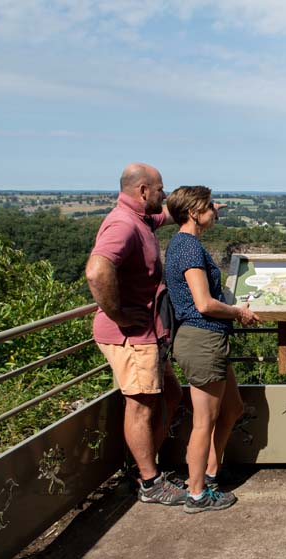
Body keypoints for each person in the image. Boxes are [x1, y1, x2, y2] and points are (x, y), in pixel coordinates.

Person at [86, 163, 186, 505]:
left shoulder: (141, 219)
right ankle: (149, 482)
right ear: (143, 190)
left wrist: (203, 208)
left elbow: (166, 216)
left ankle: (143, 466)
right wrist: (119, 315)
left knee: (170, 395)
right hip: (132, 336)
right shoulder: (123, 224)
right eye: (160, 189)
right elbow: (97, 271)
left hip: (148, 333)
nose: (164, 194)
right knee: (141, 405)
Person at [164, 185, 260, 514]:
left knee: (231, 408)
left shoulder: (181, 242)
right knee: (204, 420)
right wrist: (240, 312)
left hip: (208, 340)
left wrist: (211, 208)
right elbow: (203, 303)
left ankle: (209, 472)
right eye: (209, 208)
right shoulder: (189, 249)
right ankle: (196, 494)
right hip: (202, 338)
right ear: (193, 213)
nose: (214, 213)